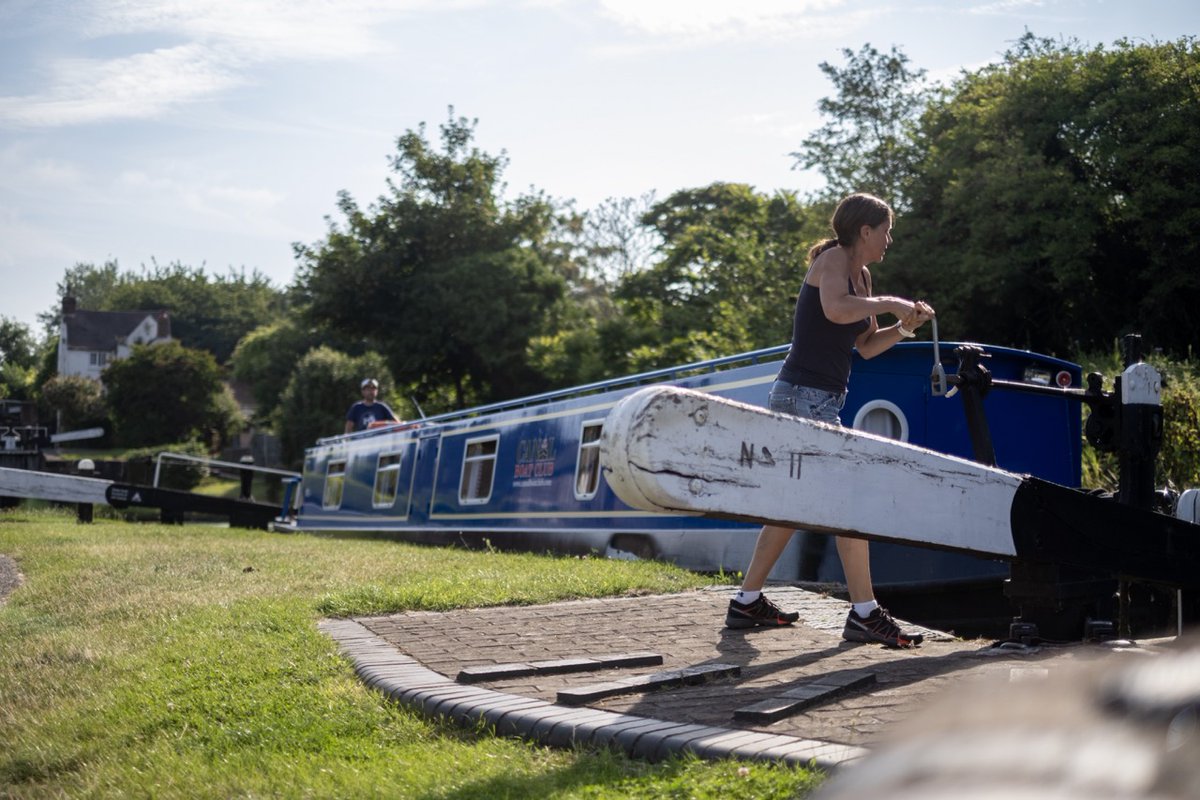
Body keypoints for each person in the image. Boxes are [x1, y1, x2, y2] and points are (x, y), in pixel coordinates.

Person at [724, 192, 935, 648]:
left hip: (820, 401)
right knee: (850, 505)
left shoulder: (861, 274)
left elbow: (865, 347)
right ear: (864, 231)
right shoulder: (833, 261)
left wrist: (903, 327)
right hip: (801, 398)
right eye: (886, 231)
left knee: (792, 509)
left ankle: (746, 601)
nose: (890, 240)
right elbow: (836, 309)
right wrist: (891, 302)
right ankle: (864, 613)